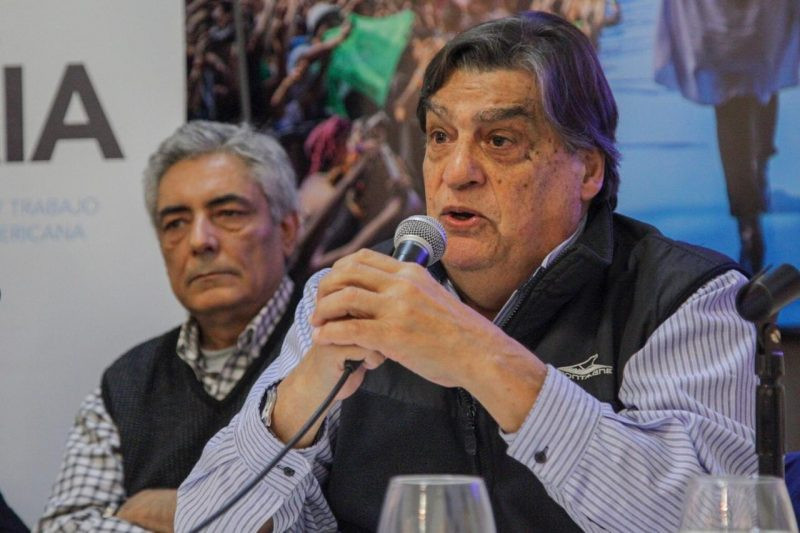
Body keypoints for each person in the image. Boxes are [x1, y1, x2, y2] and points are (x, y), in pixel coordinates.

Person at [176, 13, 758, 532]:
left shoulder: (688, 297)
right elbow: (202, 521)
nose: (456, 172)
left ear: (587, 170)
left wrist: (479, 357)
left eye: (499, 140)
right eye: (439, 137)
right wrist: (299, 403)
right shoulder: (354, 292)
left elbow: (713, 518)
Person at [37, 121, 301, 532]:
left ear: (287, 230)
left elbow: (326, 519)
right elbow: (62, 527)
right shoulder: (126, 383)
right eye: (176, 222)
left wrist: (166, 511)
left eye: (228, 214)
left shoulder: (340, 353)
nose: (199, 241)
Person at [654, 0, 800, 273]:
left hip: (721, 20)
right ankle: (755, 184)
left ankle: (748, 218)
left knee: (738, 101)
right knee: (761, 82)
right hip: (753, 18)